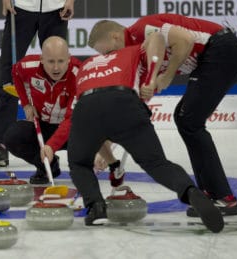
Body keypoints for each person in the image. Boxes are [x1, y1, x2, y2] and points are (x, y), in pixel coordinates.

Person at [87, 13, 237, 217]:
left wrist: (166, 76)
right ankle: (212, 194)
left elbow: (185, 39)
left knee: (188, 121)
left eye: (108, 51)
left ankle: (223, 197)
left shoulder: (140, 30)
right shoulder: (138, 59)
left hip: (222, 49)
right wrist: (107, 147)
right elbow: (133, 108)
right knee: (187, 121)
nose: (111, 57)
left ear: (115, 37)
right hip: (217, 56)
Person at [67, 43, 224, 233]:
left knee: (80, 163)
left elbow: (98, 118)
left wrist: (111, 161)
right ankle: (191, 191)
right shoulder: (131, 51)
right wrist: (151, 77)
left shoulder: (86, 65)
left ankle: (96, 207)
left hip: (87, 105)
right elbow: (155, 38)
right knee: (157, 163)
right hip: (124, 102)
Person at [0, 0, 75, 168]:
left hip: (56, 8)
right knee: (9, 78)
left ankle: (51, 147)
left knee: (56, 72)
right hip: (21, 7)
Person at [2, 36, 79, 184]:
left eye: (61, 61)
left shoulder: (78, 75)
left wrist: (50, 146)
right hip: (43, 125)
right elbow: (16, 73)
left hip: (72, 129)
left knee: (90, 143)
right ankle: (48, 166)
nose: (56, 68)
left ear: (69, 58)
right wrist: (26, 104)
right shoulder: (28, 65)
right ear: (42, 59)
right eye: (50, 61)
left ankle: (83, 170)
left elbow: (71, 119)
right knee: (13, 137)